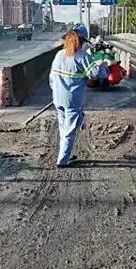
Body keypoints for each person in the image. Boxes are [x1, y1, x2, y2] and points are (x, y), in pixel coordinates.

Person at [49, 24, 101, 168]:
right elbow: (95, 74)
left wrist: (57, 91)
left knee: (63, 128)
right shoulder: (83, 56)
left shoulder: (59, 55)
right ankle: (62, 161)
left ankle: (65, 154)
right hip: (72, 100)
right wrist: (100, 64)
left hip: (57, 98)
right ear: (82, 41)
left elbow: (51, 79)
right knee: (70, 130)